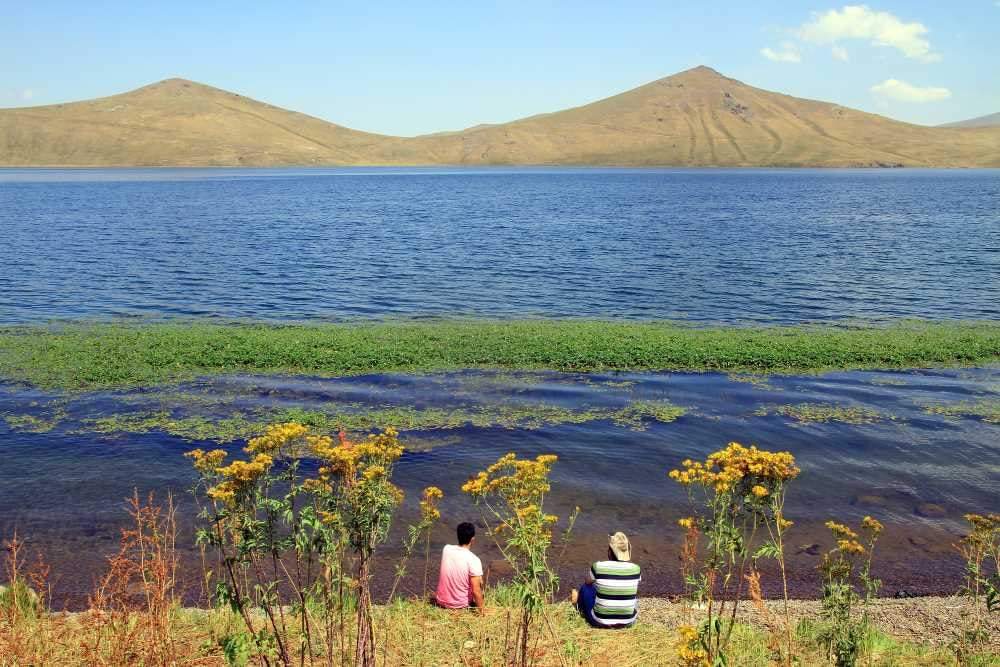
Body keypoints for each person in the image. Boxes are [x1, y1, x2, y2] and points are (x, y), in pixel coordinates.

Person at [571, 531, 640, 628]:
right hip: (627, 622)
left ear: (610, 551)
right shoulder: (636, 569)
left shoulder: (598, 566)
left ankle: (578, 605)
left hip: (599, 621)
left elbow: (587, 581)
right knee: (635, 599)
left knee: (586, 588)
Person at [435, 521, 485, 612]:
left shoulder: (446, 549)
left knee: (475, 575)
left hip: (440, 601)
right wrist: (482, 611)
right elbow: (476, 591)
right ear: (472, 539)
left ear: (458, 535)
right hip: (460, 605)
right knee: (478, 579)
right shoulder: (474, 559)